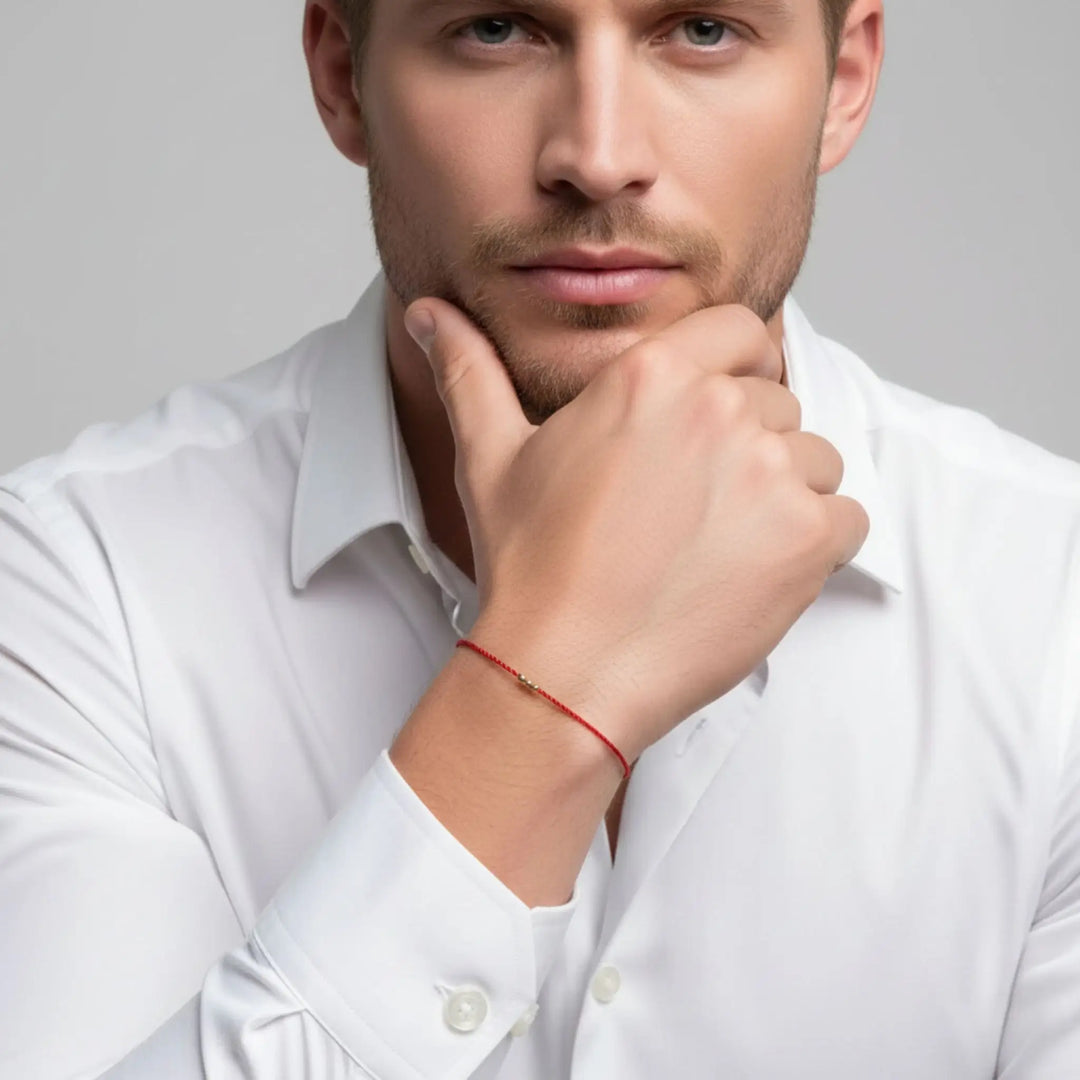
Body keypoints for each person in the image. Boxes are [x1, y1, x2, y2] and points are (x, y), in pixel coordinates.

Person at [2, 0, 1078, 1075]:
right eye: (495, 29)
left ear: (843, 80)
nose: (599, 158)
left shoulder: (1052, 601)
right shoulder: (75, 586)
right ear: (342, 78)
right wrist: (549, 680)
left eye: (702, 31)